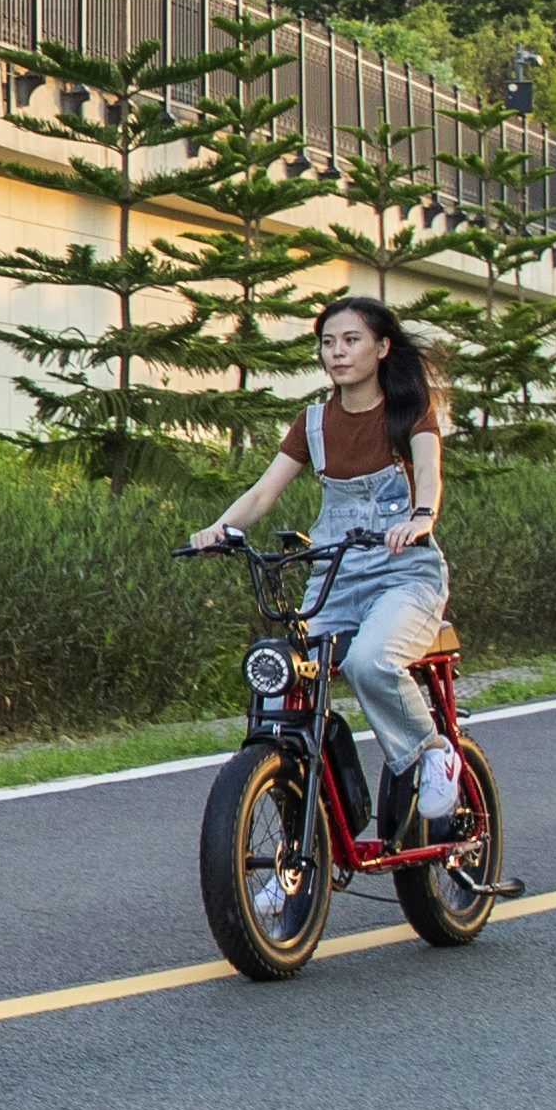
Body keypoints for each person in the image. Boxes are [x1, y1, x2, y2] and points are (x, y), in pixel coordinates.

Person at [193, 295, 462, 832]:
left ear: (383, 348)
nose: (337, 353)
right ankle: (297, 860)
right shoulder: (313, 424)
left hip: (404, 577)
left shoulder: (408, 410)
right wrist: (220, 529)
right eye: (328, 342)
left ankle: (433, 752)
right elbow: (264, 492)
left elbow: (428, 470)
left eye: (351, 340)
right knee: (282, 681)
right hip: (334, 581)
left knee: (369, 662)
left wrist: (422, 514)